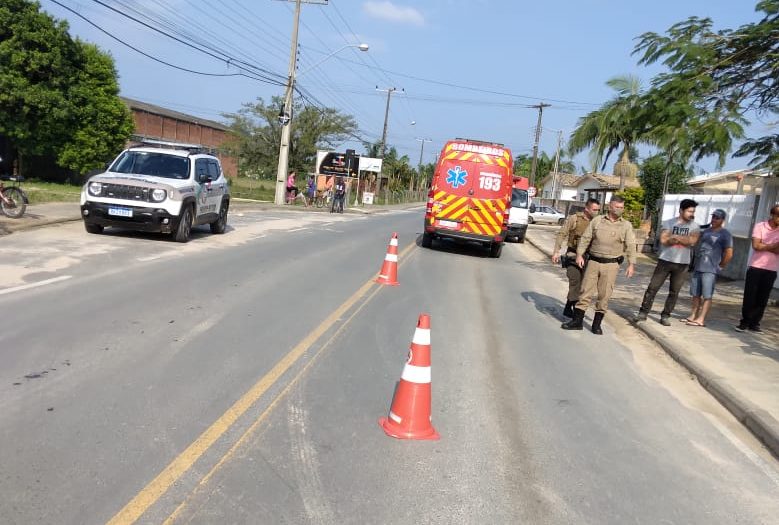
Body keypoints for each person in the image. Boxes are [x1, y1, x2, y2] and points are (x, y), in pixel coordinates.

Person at [562, 195, 636, 334]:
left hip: (611, 264)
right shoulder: (597, 221)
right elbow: (585, 238)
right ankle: (577, 321)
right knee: (585, 291)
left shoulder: (626, 225)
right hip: (593, 262)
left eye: (622, 207)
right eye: (617, 207)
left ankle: (596, 324)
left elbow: (631, 245)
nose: (620, 210)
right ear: (610, 206)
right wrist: (579, 254)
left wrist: (631, 264)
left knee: (605, 294)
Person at [633, 198, 700, 326]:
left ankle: (665, 315)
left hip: (683, 264)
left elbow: (693, 241)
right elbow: (664, 240)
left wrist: (675, 237)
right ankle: (643, 313)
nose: (692, 214)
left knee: (674, 291)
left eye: (693, 211)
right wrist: (681, 239)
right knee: (653, 288)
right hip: (665, 261)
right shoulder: (669, 223)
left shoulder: (694, 226)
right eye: (689, 211)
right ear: (681, 210)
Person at [552, 198, 601, 317]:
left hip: (589, 258)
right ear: (587, 208)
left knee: (584, 286)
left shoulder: (598, 222)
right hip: (573, 256)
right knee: (575, 281)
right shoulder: (574, 219)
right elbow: (562, 234)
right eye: (594, 210)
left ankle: (569, 306)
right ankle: (573, 308)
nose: (596, 212)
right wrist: (556, 251)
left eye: (598, 210)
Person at [685, 209, 734, 327]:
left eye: (717, 218)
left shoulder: (725, 234)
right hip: (699, 267)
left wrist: (721, 266)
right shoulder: (706, 231)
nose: (714, 220)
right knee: (695, 294)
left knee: (707, 295)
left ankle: (701, 319)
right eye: (713, 217)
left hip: (711, 269)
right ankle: (693, 315)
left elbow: (729, 253)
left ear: (722, 220)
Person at [736, 204, 779, 333]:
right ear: (773, 215)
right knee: (750, 296)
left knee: (763, 298)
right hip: (756, 267)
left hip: (771, 269)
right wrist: (774, 246)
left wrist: (765, 245)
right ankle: (745, 322)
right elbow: (756, 246)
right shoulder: (760, 226)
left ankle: (755, 323)